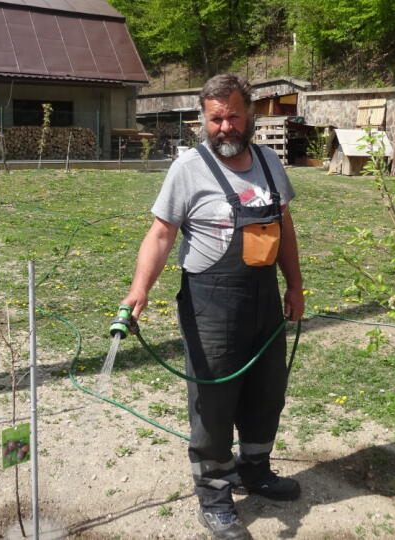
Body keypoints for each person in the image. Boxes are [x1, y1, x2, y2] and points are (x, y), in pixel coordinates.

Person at [121, 73, 304, 539]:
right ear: (204, 119)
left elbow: (284, 226)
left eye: (233, 116)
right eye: (215, 118)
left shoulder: (267, 162)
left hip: (265, 300)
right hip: (212, 305)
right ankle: (215, 493)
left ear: (250, 116)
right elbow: (161, 233)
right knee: (215, 402)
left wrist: (295, 285)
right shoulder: (188, 168)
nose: (225, 126)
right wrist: (140, 289)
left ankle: (256, 469)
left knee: (267, 392)